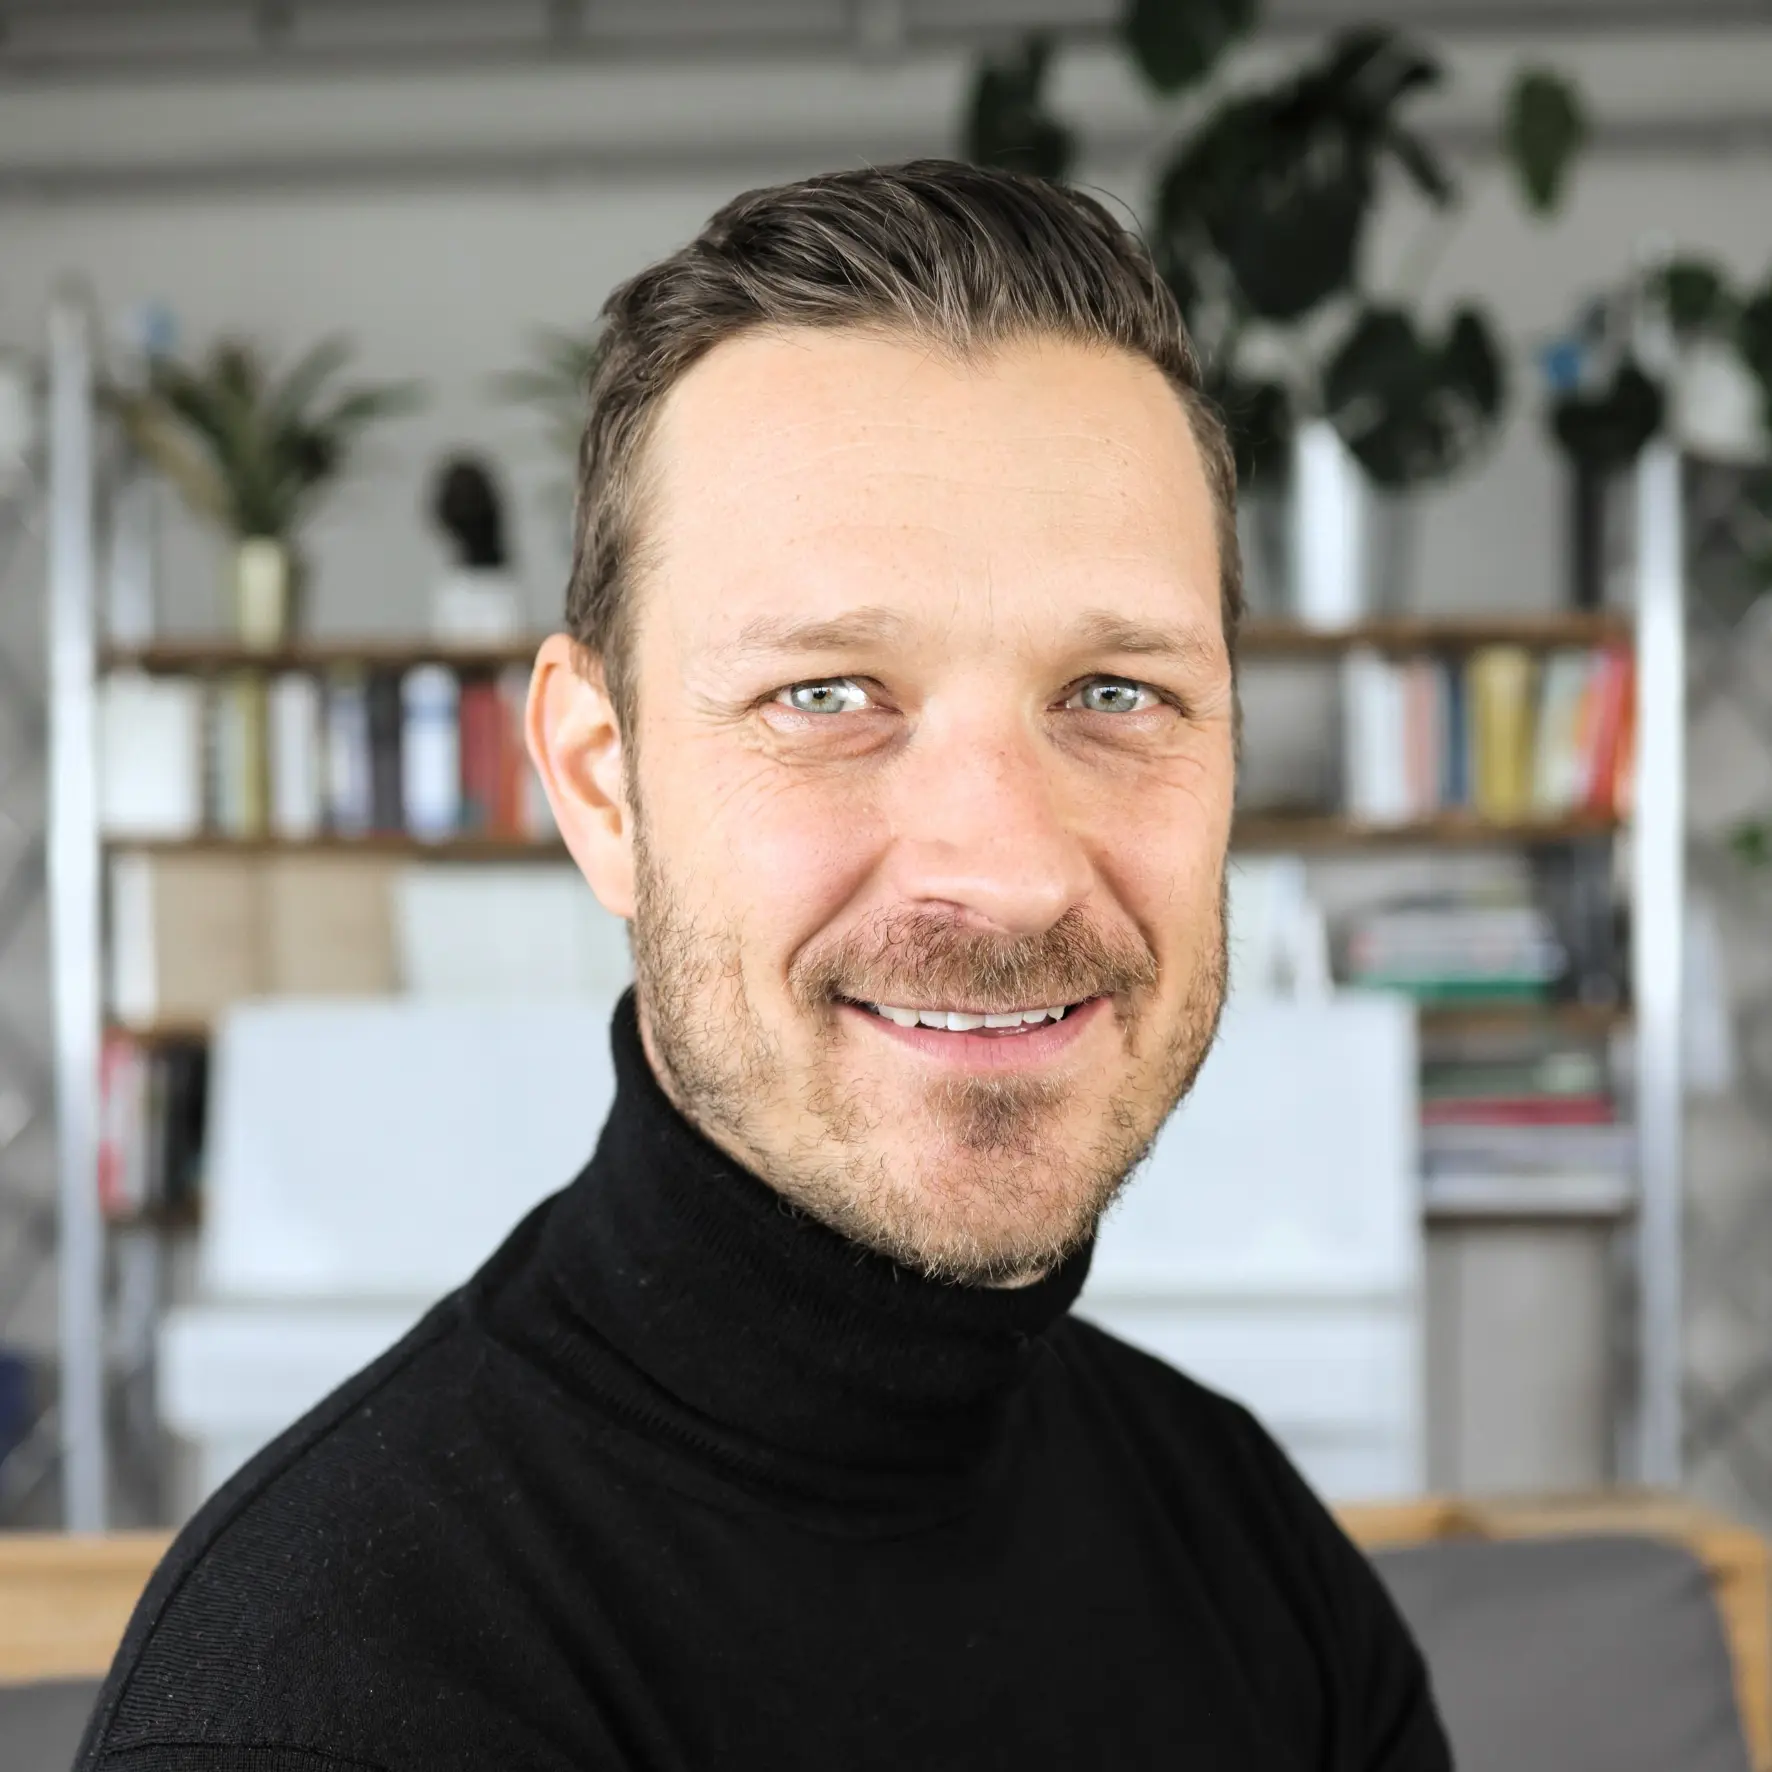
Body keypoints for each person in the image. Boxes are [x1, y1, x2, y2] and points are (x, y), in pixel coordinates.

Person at [79, 161, 1450, 1771]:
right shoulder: (328, 1689)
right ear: (600, 782)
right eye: (827, 695)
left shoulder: (1254, 1556)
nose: (1004, 863)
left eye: (1114, 692)